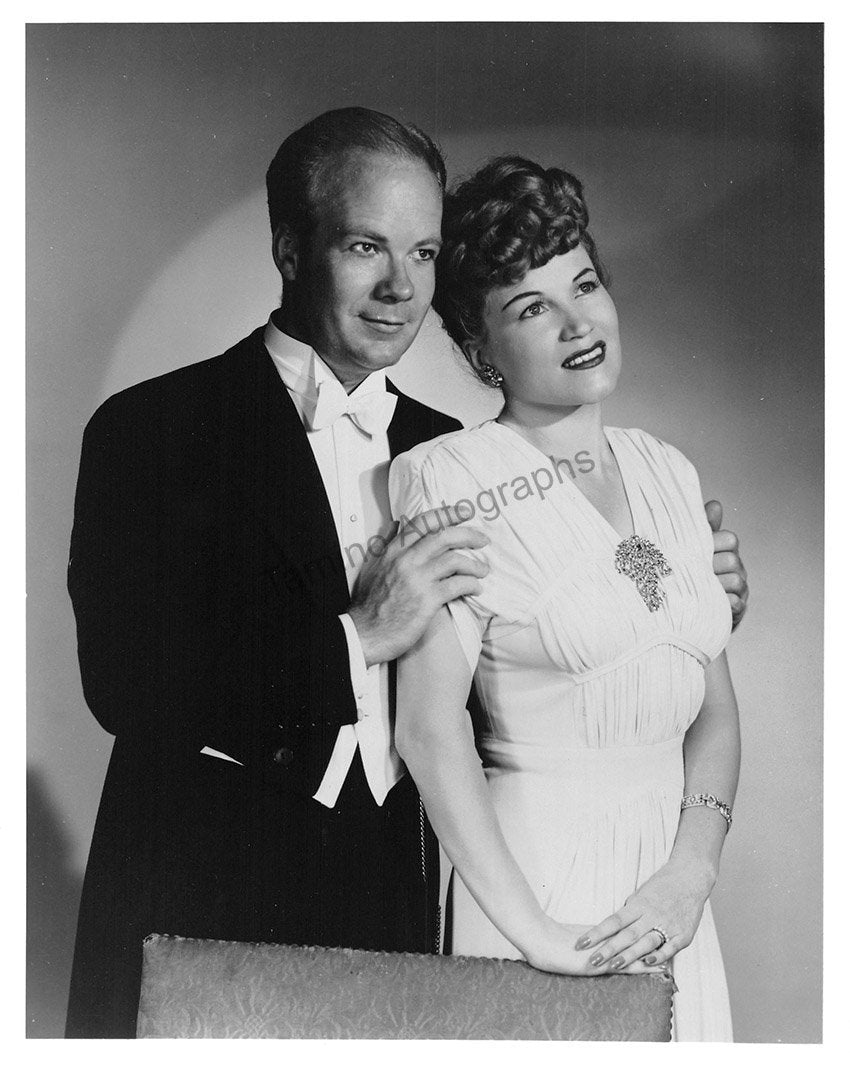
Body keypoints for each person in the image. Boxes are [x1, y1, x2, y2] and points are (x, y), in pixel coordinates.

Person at [65, 111, 748, 1038]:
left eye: (423, 254)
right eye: (365, 247)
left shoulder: (449, 450)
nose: (400, 287)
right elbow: (124, 683)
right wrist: (358, 635)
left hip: (395, 889)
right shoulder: (154, 427)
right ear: (289, 248)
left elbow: (521, 677)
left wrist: (676, 600)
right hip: (204, 888)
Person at [390, 157, 742, 1040]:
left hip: (672, 892)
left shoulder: (667, 468)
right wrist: (537, 936)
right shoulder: (450, 477)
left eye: (584, 285)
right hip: (543, 888)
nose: (578, 323)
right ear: (480, 352)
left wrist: (692, 871)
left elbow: (714, 708)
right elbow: (427, 731)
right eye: (531, 308)